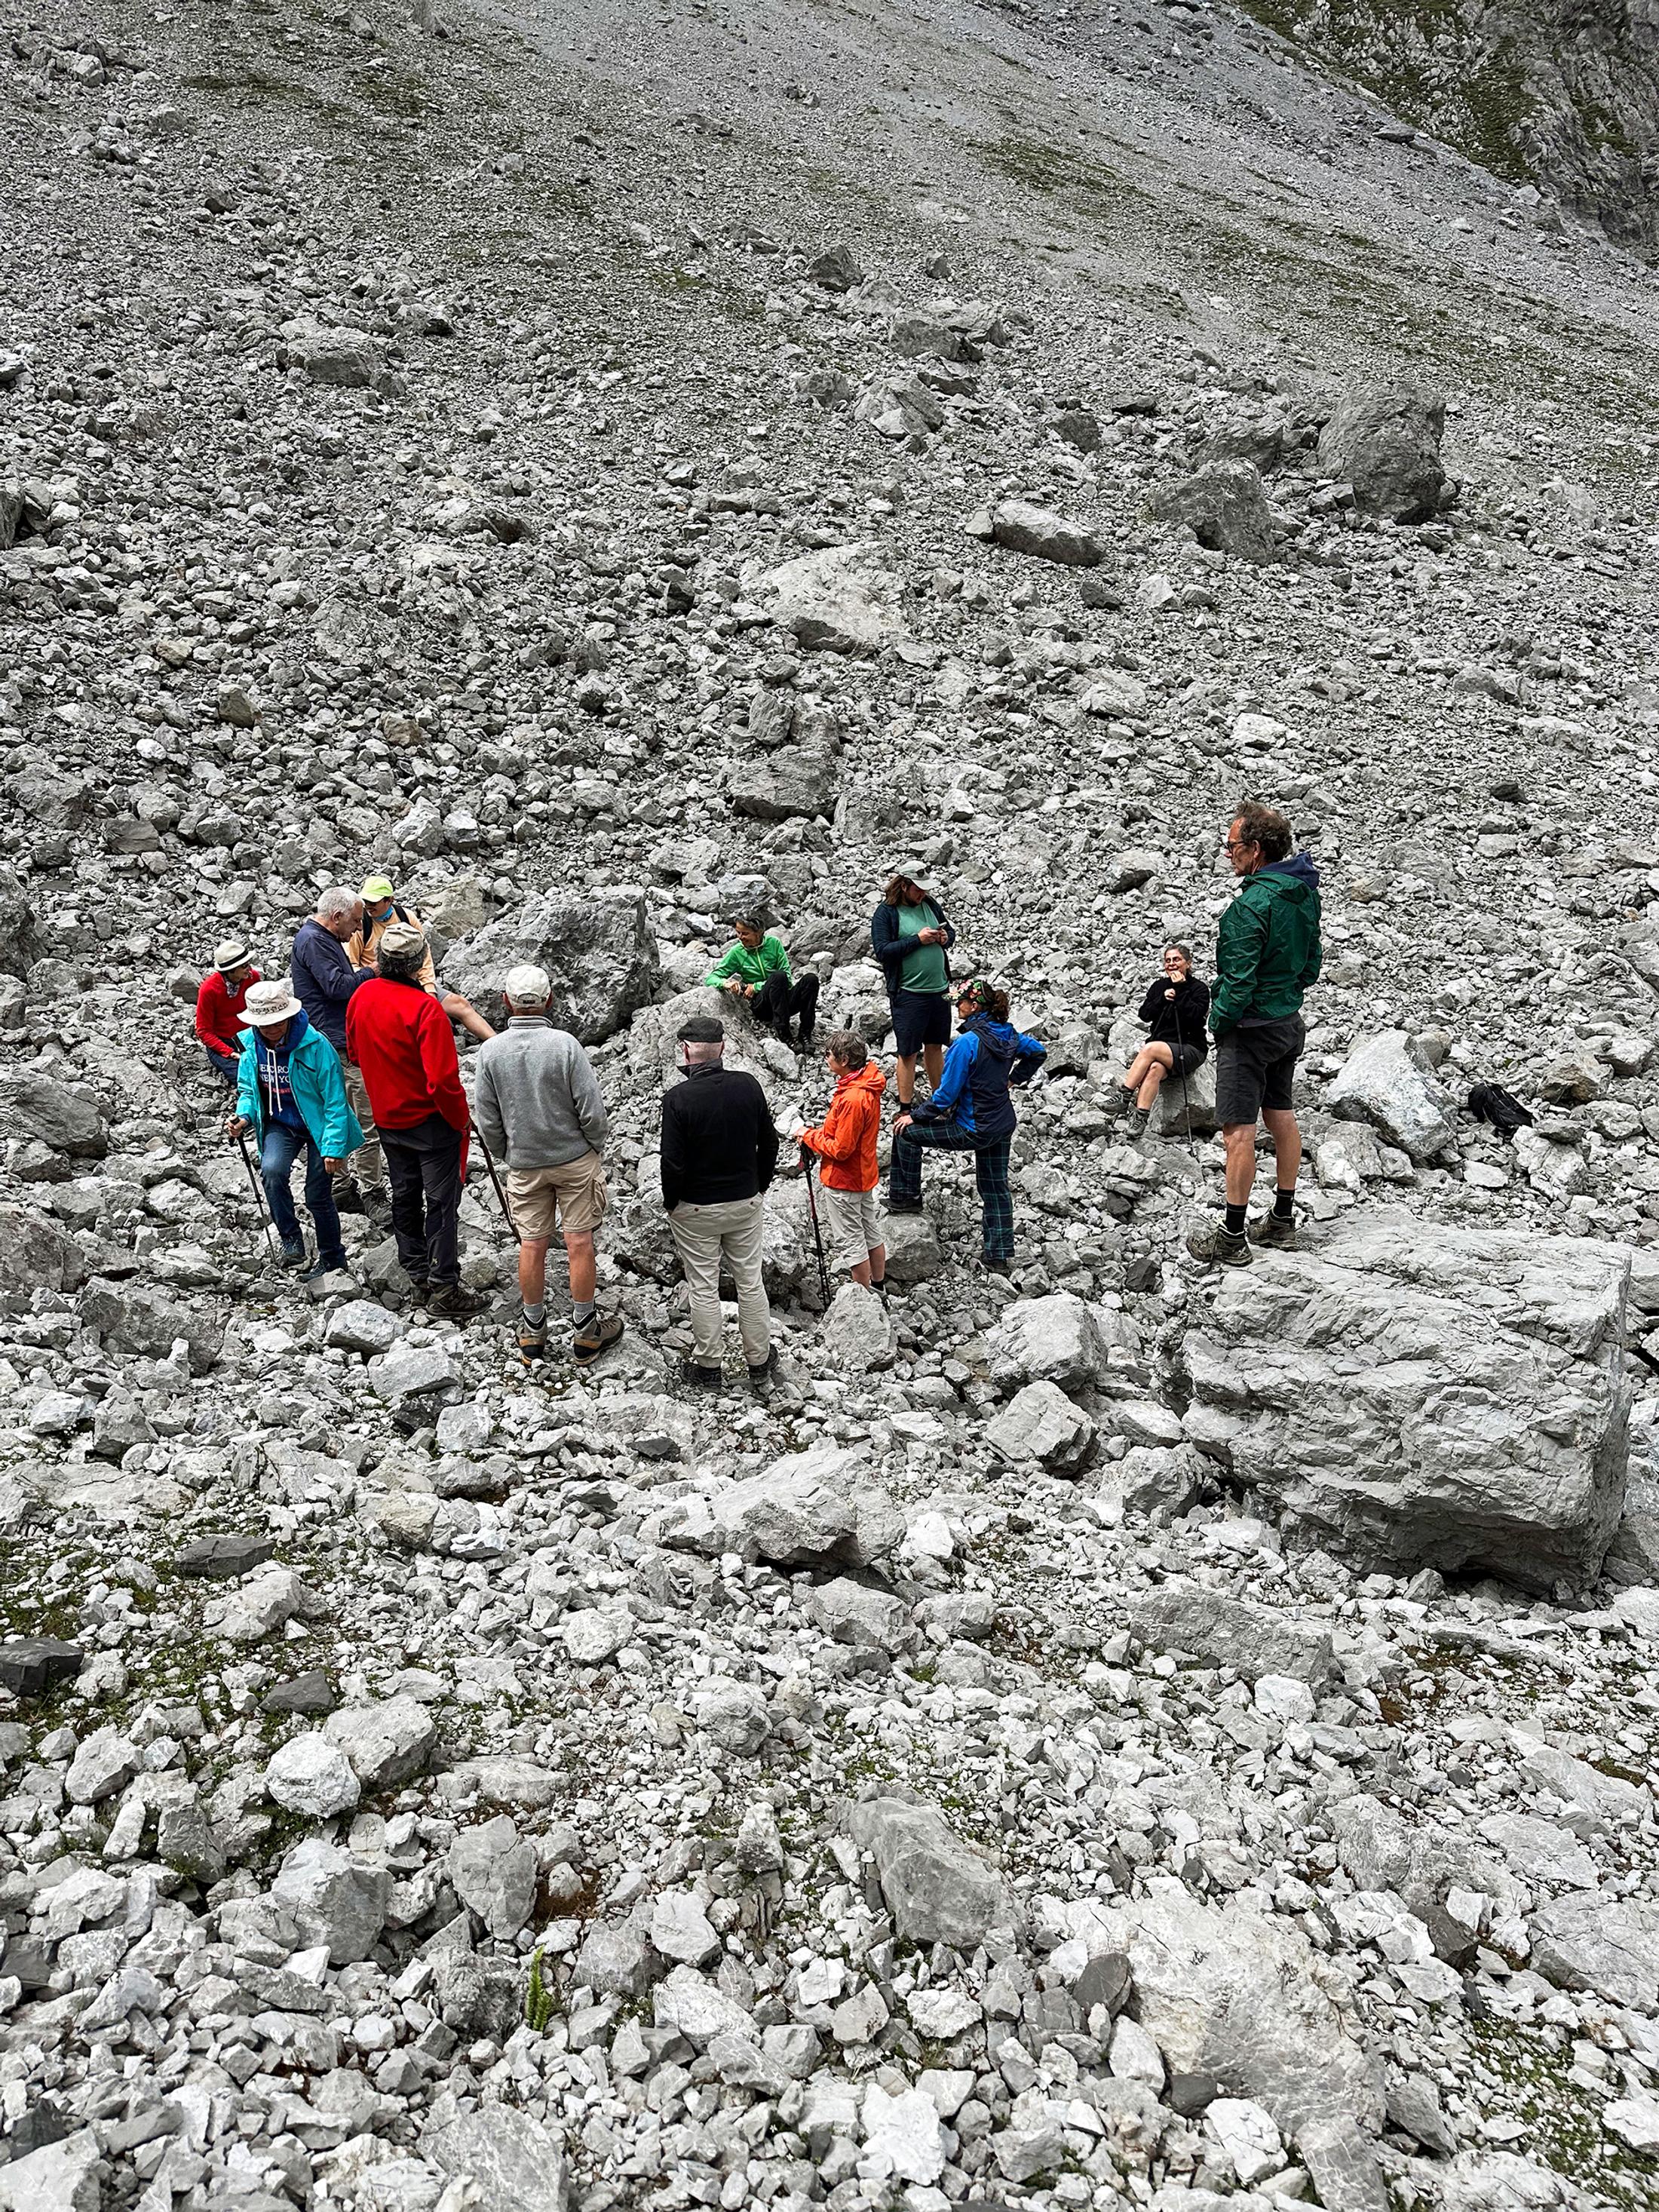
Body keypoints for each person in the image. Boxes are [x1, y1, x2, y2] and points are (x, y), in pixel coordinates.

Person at [1187, 802, 1323, 1269]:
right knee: (1281, 1115)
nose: (1228, 854)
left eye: (1232, 846)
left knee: (1238, 1133)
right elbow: (1311, 965)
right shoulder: (1303, 894)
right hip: (1288, 1024)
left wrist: (1218, 1023)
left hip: (1248, 1032)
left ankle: (1231, 1237)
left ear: (1256, 849)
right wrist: (1285, 996)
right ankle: (1283, 1219)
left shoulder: (1250, 906)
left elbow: (1238, 983)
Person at [474, 963, 624, 1370]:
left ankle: (533, 1330)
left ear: (505, 1001)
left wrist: (509, 1151)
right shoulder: (565, 1045)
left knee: (532, 1243)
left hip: (525, 1162)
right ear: (550, 1000)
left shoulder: (491, 1051)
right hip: (574, 1159)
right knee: (579, 1242)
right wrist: (593, 1146)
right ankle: (585, 1329)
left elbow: (487, 1117)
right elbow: (591, 1108)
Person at [346, 919, 485, 1318]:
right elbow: (443, 1080)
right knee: (441, 1202)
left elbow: (354, 1053)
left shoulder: (362, 996)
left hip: (388, 1118)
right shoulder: (426, 1009)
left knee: (404, 1194)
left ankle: (417, 1273)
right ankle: (445, 1287)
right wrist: (461, 1120)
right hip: (430, 1123)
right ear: (419, 961)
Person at [889, 980, 1044, 1275]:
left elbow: (945, 1096)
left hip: (971, 1128)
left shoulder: (965, 1043)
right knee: (995, 1186)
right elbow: (1038, 1052)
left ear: (974, 1007)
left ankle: (904, 1197)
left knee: (906, 1135)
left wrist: (915, 1116)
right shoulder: (1009, 1034)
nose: (956, 1006)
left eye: (960, 1002)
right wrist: (1013, 1079)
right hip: (1001, 1125)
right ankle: (997, 1255)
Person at [660, 1014, 778, 1388]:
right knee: (749, 1280)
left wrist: (671, 1202)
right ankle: (759, 1360)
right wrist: (759, 1186)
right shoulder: (749, 1086)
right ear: (723, 1048)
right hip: (744, 1201)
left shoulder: (678, 1099)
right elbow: (770, 1143)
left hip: (695, 1207)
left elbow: (672, 1161)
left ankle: (709, 1366)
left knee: (703, 1285)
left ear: (685, 1051)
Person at [227, 977, 363, 1284]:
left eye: (276, 1023)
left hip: (318, 1125)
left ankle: (333, 1257)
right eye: (264, 1025)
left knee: (317, 1196)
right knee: (272, 1173)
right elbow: (249, 1090)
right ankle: (291, 1240)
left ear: (288, 1016)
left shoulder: (317, 1046)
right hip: (280, 1122)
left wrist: (333, 1147)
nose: (271, 1030)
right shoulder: (251, 1046)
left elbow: (335, 1101)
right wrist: (243, 1118)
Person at [291, 888, 388, 1225]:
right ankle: (371, 1192)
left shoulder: (314, 938)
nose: (358, 929)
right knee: (363, 1118)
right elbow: (337, 987)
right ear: (337, 917)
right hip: (336, 1043)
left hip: (327, 1040)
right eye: (356, 920)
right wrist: (371, 972)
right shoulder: (316, 942)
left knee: (338, 1114)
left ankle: (342, 1187)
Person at [790, 1032, 887, 1292]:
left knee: (853, 1240)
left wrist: (809, 1137)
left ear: (844, 1060)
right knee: (871, 1231)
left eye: (829, 1055)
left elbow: (841, 1149)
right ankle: (878, 1287)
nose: (825, 1059)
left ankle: (862, 1299)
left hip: (845, 1179)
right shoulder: (867, 1085)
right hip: (864, 1173)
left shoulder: (853, 1098)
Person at [350, 875, 495, 1044]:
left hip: (413, 981)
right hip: (383, 987)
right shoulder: (362, 926)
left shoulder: (406, 917)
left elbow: (424, 956)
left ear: (389, 900)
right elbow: (352, 964)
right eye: (366, 901)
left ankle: (498, 1044)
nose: (368, 906)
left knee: (459, 1004)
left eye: (373, 902)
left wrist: (430, 991)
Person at [871, 867, 956, 1110]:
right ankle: (905, 1106)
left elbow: (950, 932)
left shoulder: (930, 903)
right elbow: (883, 951)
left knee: (935, 1046)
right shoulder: (886, 913)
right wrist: (916, 940)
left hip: (939, 990)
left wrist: (944, 938)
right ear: (904, 885)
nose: (923, 893)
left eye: (926, 889)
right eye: (919, 889)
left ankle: (940, 1103)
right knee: (908, 1052)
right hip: (909, 993)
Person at [1108, 945, 1211, 1140]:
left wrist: (1180, 991)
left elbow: (1197, 1018)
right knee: (1154, 1068)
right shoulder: (1159, 987)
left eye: (1177, 959)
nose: (1172, 964)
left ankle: (1124, 1096)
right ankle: (1140, 1120)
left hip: (1190, 1049)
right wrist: (1163, 999)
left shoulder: (1199, 989)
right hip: (1162, 1051)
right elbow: (1145, 1015)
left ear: (1188, 964)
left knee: (1150, 1048)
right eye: (1168, 960)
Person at [706, 916, 819, 1051]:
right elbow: (711, 978)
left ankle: (805, 1033)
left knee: (810, 979)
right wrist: (725, 983)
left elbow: (788, 978)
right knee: (778, 976)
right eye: (738, 932)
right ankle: (784, 1032)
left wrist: (756, 986)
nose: (740, 937)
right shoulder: (737, 952)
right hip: (762, 1006)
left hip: (783, 1001)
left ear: (759, 932)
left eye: (745, 933)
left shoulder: (774, 944)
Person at [195, 940, 260, 1087]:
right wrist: (230, 1052)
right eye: (244, 966)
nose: (249, 969)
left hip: (250, 1036)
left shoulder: (253, 978)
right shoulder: (209, 990)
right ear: (231, 970)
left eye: (248, 963)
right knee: (245, 1079)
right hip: (223, 1042)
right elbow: (203, 1031)